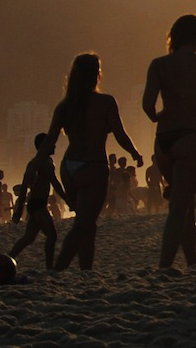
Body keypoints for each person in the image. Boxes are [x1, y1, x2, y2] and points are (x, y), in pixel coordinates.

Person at [37, 53, 143, 270]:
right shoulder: (105, 102)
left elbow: (50, 139)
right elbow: (120, 134)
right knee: (84, 223)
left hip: (69, 167)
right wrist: (134, 153)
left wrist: (37, 161)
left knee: (87, 224)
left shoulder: (65, 105)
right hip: (93, 165)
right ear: (97, 75)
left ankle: (86, 270)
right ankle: (59, 269)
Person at [143, 14, 196, 269]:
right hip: (192, 136)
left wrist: (158, 117)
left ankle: (191, 262)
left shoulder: (159, 64)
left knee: (184, 201)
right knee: (178, 208)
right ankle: (164, 266)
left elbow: (147, 104)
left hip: (164, 140)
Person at [10, 133, 70, 269]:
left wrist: (67, 199)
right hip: (36, 204)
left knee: (29, 238)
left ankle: (8, 257)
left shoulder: (47, 161)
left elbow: (54, 183)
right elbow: (25, 184)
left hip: (39, 203)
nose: (54, 145)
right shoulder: (36, 163)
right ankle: (50, 268)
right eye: (51, 143)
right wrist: (19, 210)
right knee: (52, 235)